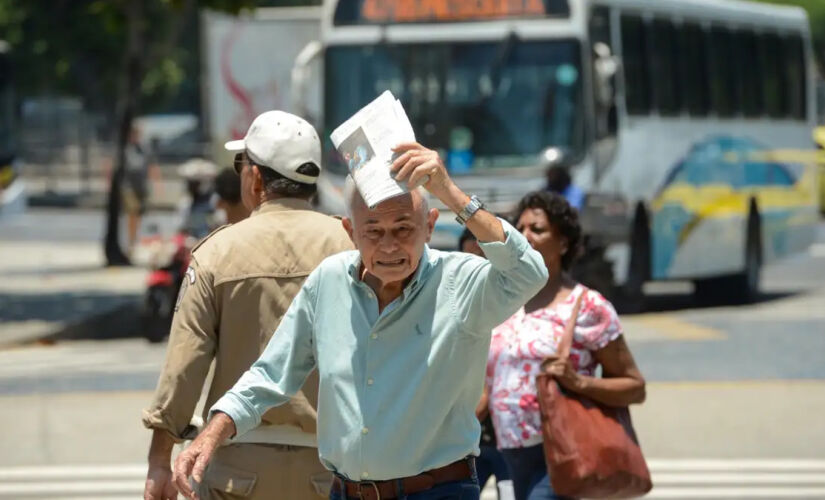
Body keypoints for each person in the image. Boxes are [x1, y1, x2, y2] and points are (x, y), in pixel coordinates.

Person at [172, 142, 549, 500]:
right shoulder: (329, 280)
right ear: (351, 233)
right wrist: (211, 434)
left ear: (430, 226)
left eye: (403, 229)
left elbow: (529, 273)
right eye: (373, 231)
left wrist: (449, 191)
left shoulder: (461, 281)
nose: (389, 246)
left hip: (438, 491)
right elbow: (271, 374)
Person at [142, 111, 354, 500]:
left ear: (255, 178)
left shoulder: (217, 253)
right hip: (334, 467)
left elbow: (184, 366)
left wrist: (159, 461)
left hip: (237, 467)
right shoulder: (352, 246)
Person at [486, 191, 646, 500]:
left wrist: (578, 382)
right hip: (506, 450)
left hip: (559, 451)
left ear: (564, 243)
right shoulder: (503, 298)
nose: (526, 236)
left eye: (538, 229)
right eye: (520, 229)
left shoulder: (587, 306)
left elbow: (634, 386)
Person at [459, 228, 514, 500]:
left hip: (511, 442)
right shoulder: (455, 308)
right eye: (470, 256)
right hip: (468, 445)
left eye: (484, 256)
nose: (478, 266)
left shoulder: (515, 304)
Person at [122, 125, 162, 254]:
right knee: (132, 212)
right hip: (128, 186)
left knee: (138, 214)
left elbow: (152, 165)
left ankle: (134, 238)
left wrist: (157, 184)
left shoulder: (144, 149)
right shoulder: (125, 149)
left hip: (142, 186)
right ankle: (131, 241)